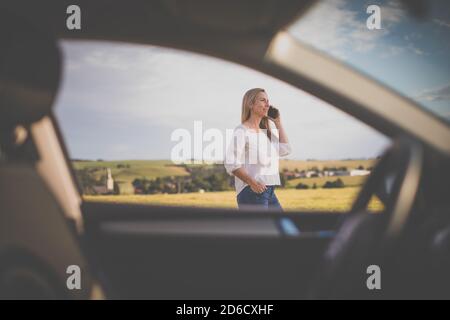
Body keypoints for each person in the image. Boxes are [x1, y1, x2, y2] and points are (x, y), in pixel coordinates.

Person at [224, 88, 291, 210]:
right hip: (252, 192)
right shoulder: (242, 130)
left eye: (268, 101)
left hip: (269, 192)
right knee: (262, 229)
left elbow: (285, 149)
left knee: (282, 226)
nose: (267, 104)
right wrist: (252, 183)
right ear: (250, 104)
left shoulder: (265, 133)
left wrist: (278, 123)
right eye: (262, 100)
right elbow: (230, 162)